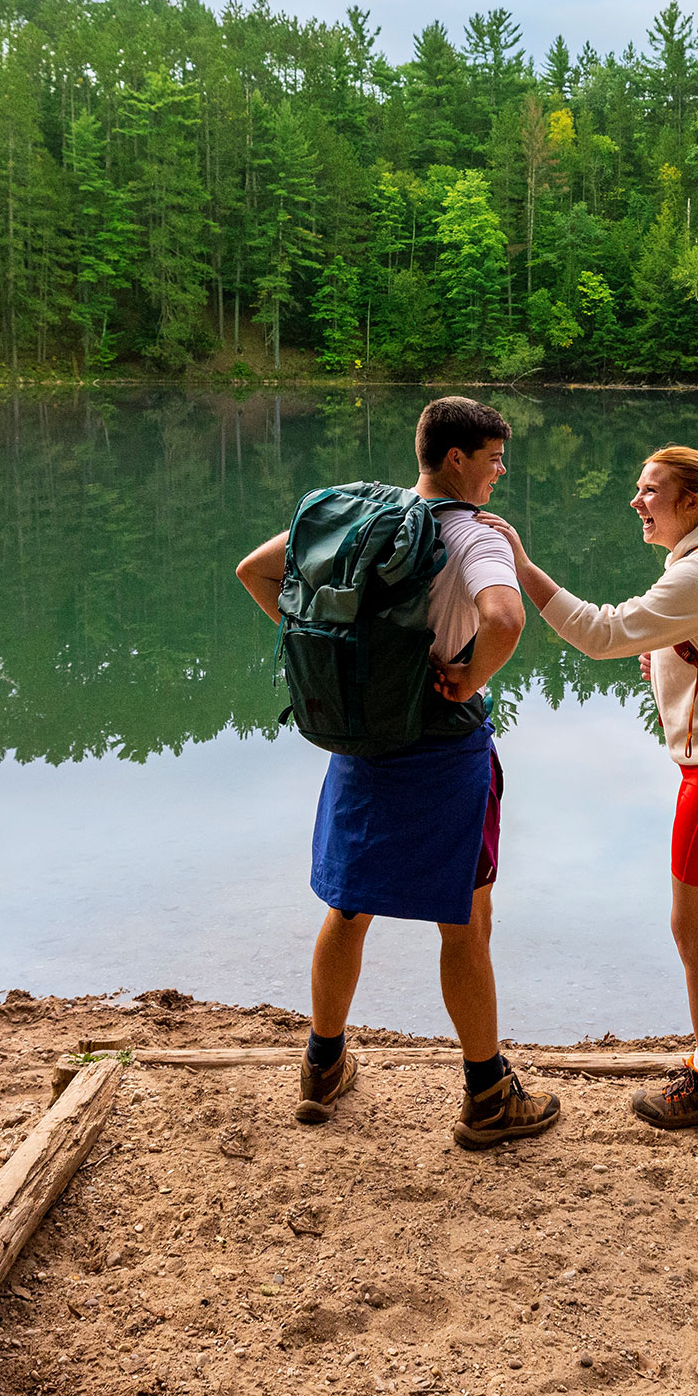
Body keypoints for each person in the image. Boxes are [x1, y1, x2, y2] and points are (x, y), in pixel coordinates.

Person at [234, 395, 562, 1151]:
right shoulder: (471, 537)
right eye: (491, 458)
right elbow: (507, 619)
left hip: (362, 741)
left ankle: (322, 1066)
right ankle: (487, 1094)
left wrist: (345, 667)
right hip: (441, 752)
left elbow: (259, 572)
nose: (499, 470)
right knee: (465, 921)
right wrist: (470, 676)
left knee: (348, 908)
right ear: (456, 459)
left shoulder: (363, 519)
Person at [475, 445, 698, 1133]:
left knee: (694, 931)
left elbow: (599, 631)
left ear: (693, 503)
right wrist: (668, 653)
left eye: (652, 491)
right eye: (638, 489)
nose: (638, 502)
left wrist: (522, 570)